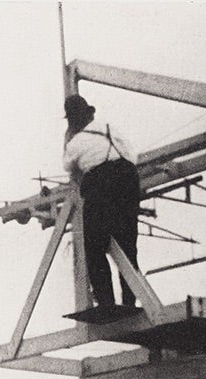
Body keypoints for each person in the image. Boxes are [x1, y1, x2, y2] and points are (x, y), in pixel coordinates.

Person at [62, 94, 141, 309]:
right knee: (128, 243)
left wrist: (67, 138)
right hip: (128, 177)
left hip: (101, 181)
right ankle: (130, 300)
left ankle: (106, 301)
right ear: (90, 114)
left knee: (94, 245)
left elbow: (67, 166)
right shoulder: (109, 128)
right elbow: (132, 155)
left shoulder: (76, 141)